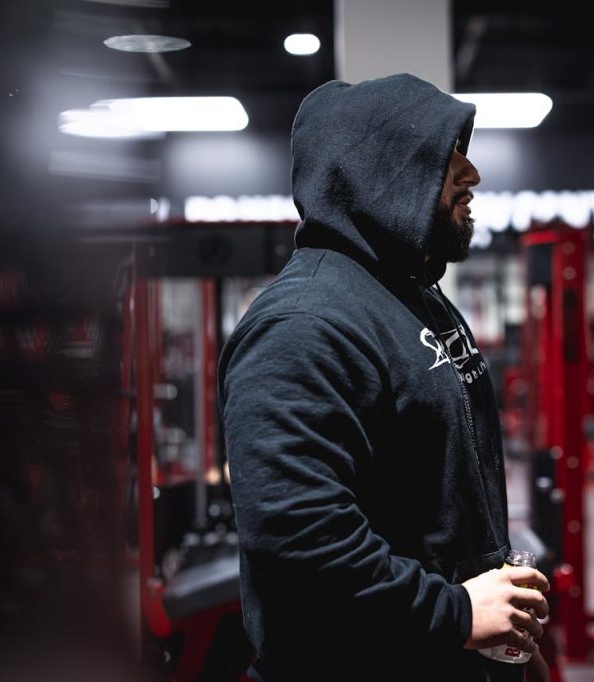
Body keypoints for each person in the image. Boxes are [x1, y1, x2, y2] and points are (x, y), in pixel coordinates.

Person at [217, 72, 551, 682]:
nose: (472, 174)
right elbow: (298, 541)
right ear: (385, 170)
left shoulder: (413, 298)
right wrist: (454, 613)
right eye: (448, 155)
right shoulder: (302, 326)